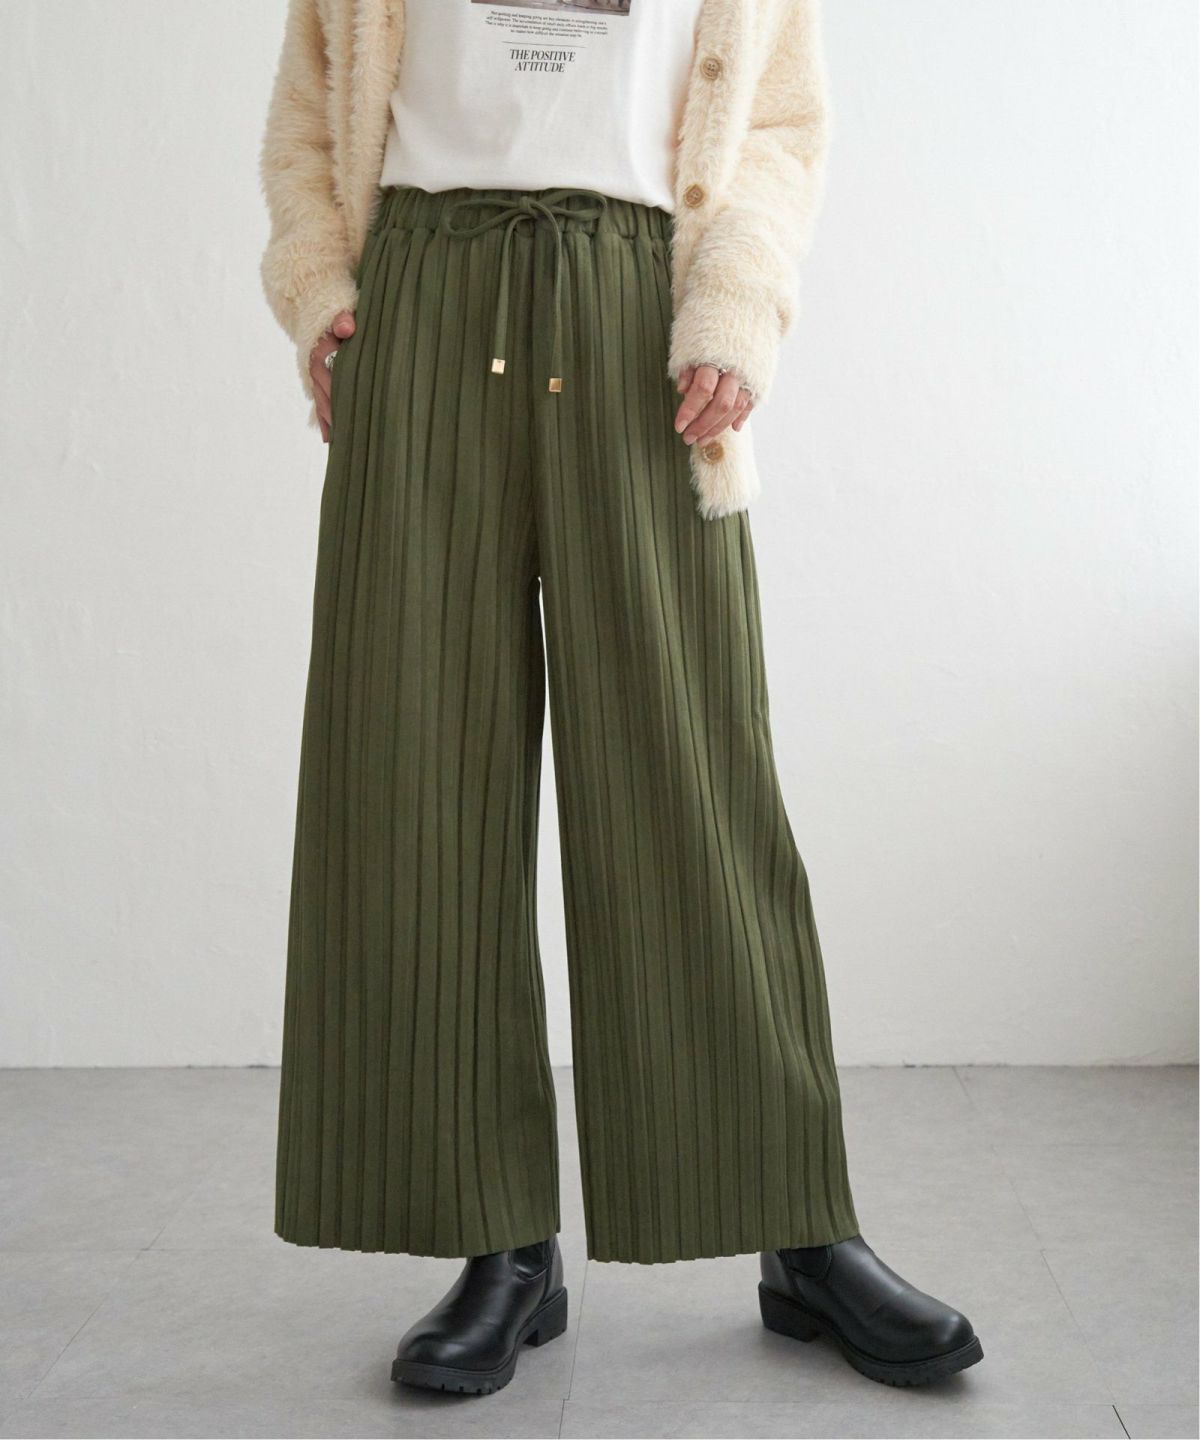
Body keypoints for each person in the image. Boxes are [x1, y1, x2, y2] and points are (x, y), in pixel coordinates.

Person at [259, 0, 983, 1398]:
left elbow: (778, 125)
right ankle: (497, 1242)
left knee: (690, 780)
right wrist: (321, 290)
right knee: (415, 774)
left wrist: (737, 304)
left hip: (644, 306)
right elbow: (309, 107)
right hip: (422, 295)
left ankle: (799, 1225)